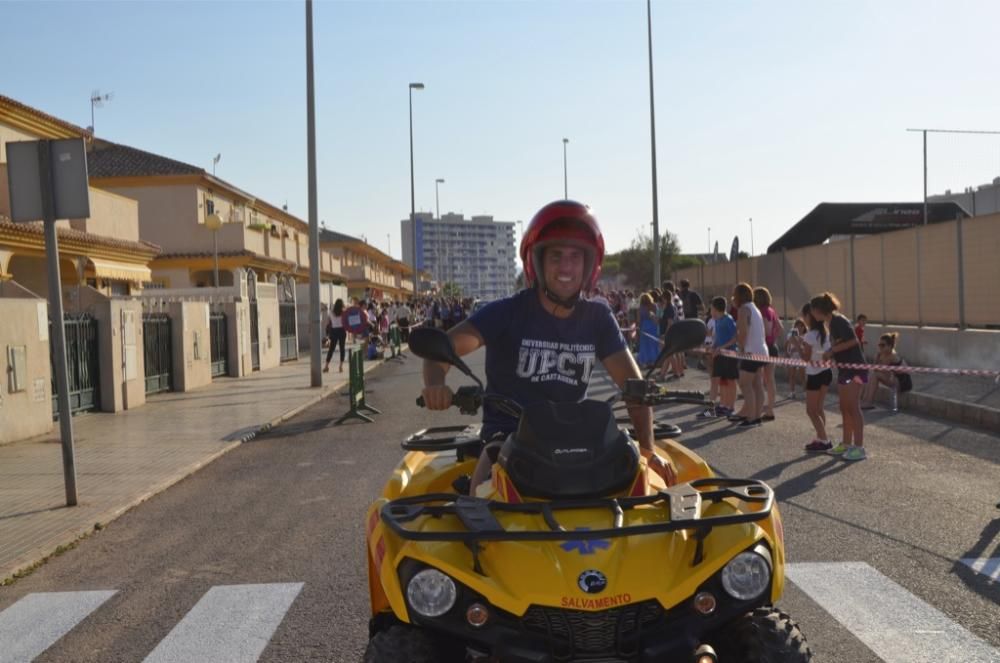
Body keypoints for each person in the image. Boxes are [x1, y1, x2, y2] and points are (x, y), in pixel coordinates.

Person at [420, 200, 675, 494]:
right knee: (481, 511)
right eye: (556, 256)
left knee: (638, 495)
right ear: (537, 262)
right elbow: (441, 350)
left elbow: (634, 387)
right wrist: (435, 383)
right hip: (508, 440)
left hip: (577, 440)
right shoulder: (507, 312)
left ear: (589, 264)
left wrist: (647, 448)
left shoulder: (598, 318)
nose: (566, 266)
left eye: (575, 256)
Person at [812, 292, 867, 461]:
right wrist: (831, 356)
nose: (812, 314)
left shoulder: (838, 320)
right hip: (844, 370)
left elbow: (853, 341)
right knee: (844, 408)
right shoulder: (831, 323)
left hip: (856, 370)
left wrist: (832, 351)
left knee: (853, 407)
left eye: (813, 310)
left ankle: (859, 448)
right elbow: (840, 345)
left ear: (819, 309)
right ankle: (846, 443)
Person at [731, 283, 767, 427]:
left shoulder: (743, 309)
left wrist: (740, 349)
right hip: (762, 351)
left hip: (750, 351)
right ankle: (756, 416)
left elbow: (743, 332)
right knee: (757, 385)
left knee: (745, 384)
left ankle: (750, 417)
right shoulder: (755, 308)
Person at [800, 304, 833, 452]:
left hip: (814, 374)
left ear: (809, 316)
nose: (803, 319)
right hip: (826, 372)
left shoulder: (809, 335)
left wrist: (798, 344)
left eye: (804, 316)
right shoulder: (825, 332)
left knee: (811, 410)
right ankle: (821, 437)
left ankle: (824, 439)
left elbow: (806, 358)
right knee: (819, 408)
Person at [701, 296, 738, 418]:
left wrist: (722, 348)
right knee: (720, 381)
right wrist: (714, 347)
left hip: (729, 355)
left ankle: (730, 406)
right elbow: (718, 338)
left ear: (717, 309)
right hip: (719, 355)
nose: (710, 311)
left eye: (711, 309)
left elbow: (735, 338)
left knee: (730, 381)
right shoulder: (716, 320)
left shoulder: (728, 320)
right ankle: (722, 405)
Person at [754, 287, 783, 421]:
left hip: (763, 348)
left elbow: (765, 330)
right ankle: (770, 409)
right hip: (772, 347)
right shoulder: (772, 310)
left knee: (760, 379)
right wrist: (773, 339)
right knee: (770, 380)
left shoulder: (762, 311)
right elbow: (780, 328)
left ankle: (760, 409)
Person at [861, 332, 909, 412]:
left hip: (902, 382)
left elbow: (883, 372)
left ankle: (869, 402)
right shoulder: (881, 355)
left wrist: (877, 362)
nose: (880, 347)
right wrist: (876, 358)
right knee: (870, 374)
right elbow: (875, 369)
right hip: (892, 379)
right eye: (879, 345)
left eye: (883, 345)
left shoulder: (892, 356)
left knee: (875, 375)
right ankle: (865, 400)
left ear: (890, 346)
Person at [785, 319, 807, 399]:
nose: (800, 328)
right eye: (797, 326)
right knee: (792, 375)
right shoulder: (791, 334)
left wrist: (801, 343)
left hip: (801, 357)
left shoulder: (806, 335)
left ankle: (805, 391)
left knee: (802, 375)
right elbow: (787, 344)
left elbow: (807, 347)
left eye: (801, 326)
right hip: (792, 356)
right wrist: (787, 353)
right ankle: (792, 392)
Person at [323, 298, 347, 373]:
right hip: (342, 330)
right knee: (342, 348)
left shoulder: (331, 312)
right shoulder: (344, 313)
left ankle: (326, 366)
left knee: (331, 349)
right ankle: (341, 366)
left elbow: (327, 323)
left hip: (334, 331)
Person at [637, 292, 660, 368]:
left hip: (644, 326)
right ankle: (654, 360)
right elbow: (657, 316)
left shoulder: (640, 308)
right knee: (653, 343)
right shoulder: (654, 306)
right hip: (653, 325)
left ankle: (645, 361)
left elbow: (639, 320)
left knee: (644, 345)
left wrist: (639, 328)